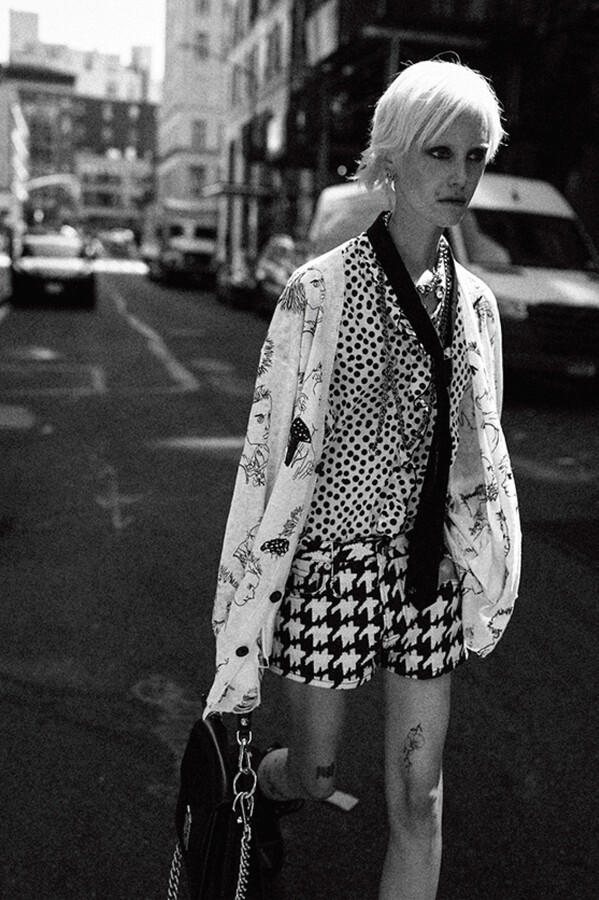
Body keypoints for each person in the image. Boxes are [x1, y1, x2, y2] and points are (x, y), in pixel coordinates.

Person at [206, 58, 521, 900]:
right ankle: (256, 791)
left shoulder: (476, 305)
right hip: (331, 567)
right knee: (315, 774)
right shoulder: (317, 291)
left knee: (418, 798)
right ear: (390, 156)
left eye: (475, 156)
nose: (459, 176)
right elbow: (265, 456)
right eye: (438, 153)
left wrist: (483, 552)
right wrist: (247, 593)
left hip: (427, 573)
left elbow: (482, 454)